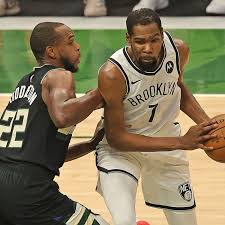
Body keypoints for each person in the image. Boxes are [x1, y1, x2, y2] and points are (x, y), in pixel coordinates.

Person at [95, 8, 218, 225]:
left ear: (162, 33)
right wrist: (181, 141)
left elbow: (177, 87)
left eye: (155, 40)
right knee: (124, 221)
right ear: (128, 39)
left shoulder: (178, 50)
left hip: (166, 146)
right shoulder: (113, 73)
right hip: (122, 153)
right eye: (140, 41)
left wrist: (208, 125)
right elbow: (116, 138)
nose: (148, 48)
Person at [0, 22, 108, 225]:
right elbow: (63, 116)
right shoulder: (59, 75)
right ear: (52, 51)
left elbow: (39, 153)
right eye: (71, 41)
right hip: (28, 189)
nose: (77, 46)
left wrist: (90, 145)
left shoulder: (24, 83)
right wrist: (101, 91)